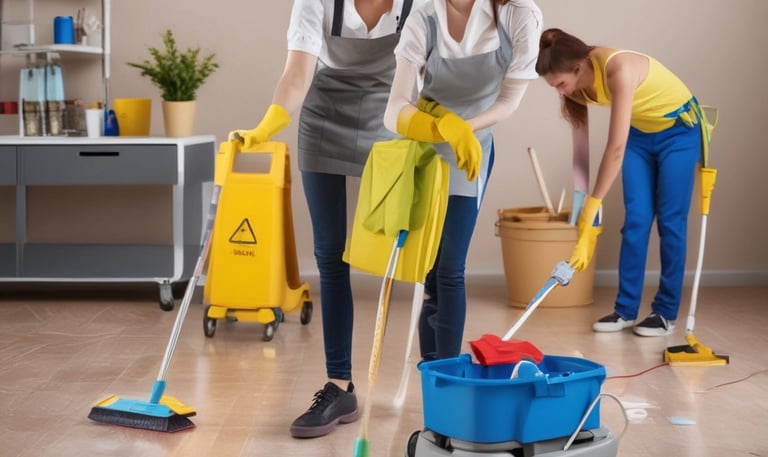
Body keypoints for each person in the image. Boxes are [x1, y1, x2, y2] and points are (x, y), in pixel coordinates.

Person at [231, 0, 425, 439]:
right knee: (331, 256)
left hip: (390, 119)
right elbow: (298, 73)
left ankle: (436, 379)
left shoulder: (419, 4)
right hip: (324, 121)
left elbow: (424, 71)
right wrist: (267, 126)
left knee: (409, 253)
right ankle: (339, 385)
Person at [383, 0, 542, 361]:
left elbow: (509, 101)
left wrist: (464, 131)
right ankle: (433, 371)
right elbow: (394, 110)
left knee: (451, 268)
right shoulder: (423, 17)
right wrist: (444, 127)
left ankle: (449, 374)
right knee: (430, 269)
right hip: (425, 149)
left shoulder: (520, 13)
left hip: (472, 151)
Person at [535, 28, 708, 336]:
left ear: (579, 67)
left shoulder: (619, 69)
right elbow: (581, 148)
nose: (559, 92)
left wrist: (594, 204)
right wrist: (582, 201)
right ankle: (625, 310)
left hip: (679, 132)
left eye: (560, 83)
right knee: (637, 220)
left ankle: (665, 313)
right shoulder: (575, 87)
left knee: (670, 221)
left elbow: (615, 148)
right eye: (553, 87)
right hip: (640, 136)